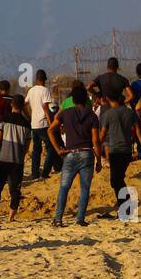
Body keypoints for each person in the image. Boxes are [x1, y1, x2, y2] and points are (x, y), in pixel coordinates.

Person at [47, 83, 99, 227]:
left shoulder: (65, 113)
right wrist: (99, 159)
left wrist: (58, 149)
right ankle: (80, 219)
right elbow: (95, 139)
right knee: (85, 188)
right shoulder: (92, 115)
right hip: (87, 153)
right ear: (85, 99)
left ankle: (58, 219)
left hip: (70, 154)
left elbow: (50, 130)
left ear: (73, 99)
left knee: (64, 187)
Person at [98, 86, 141, 218]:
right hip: (127, 151)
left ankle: (126, 206)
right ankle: (123, 207)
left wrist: (96, 148)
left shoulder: (108, 114)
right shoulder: (130, 113)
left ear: (107, 98)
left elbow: (102, 136)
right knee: (118, 179)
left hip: (114, 151)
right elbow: (138, 132)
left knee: (115, 180)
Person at [0, 95, 29, 221]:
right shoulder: (26, 123)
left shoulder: (4, 119)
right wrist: (21, 155)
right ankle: (11, 217)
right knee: (15, 190)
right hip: (17, 161)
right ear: (23, 106)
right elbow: (27, 146)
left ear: (12, 104)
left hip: (3, 158)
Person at [24, 69, 58, 180]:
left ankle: (35, 174)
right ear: (44, 80)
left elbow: (24, 104)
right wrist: (50, 122)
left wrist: (28, 116)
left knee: (36, 150)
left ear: (36, 79)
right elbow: (46, 108)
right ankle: (45, 173)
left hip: (34, 124)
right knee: (51, 147)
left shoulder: (31, 90)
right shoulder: (45, 90)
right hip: (43, 123)